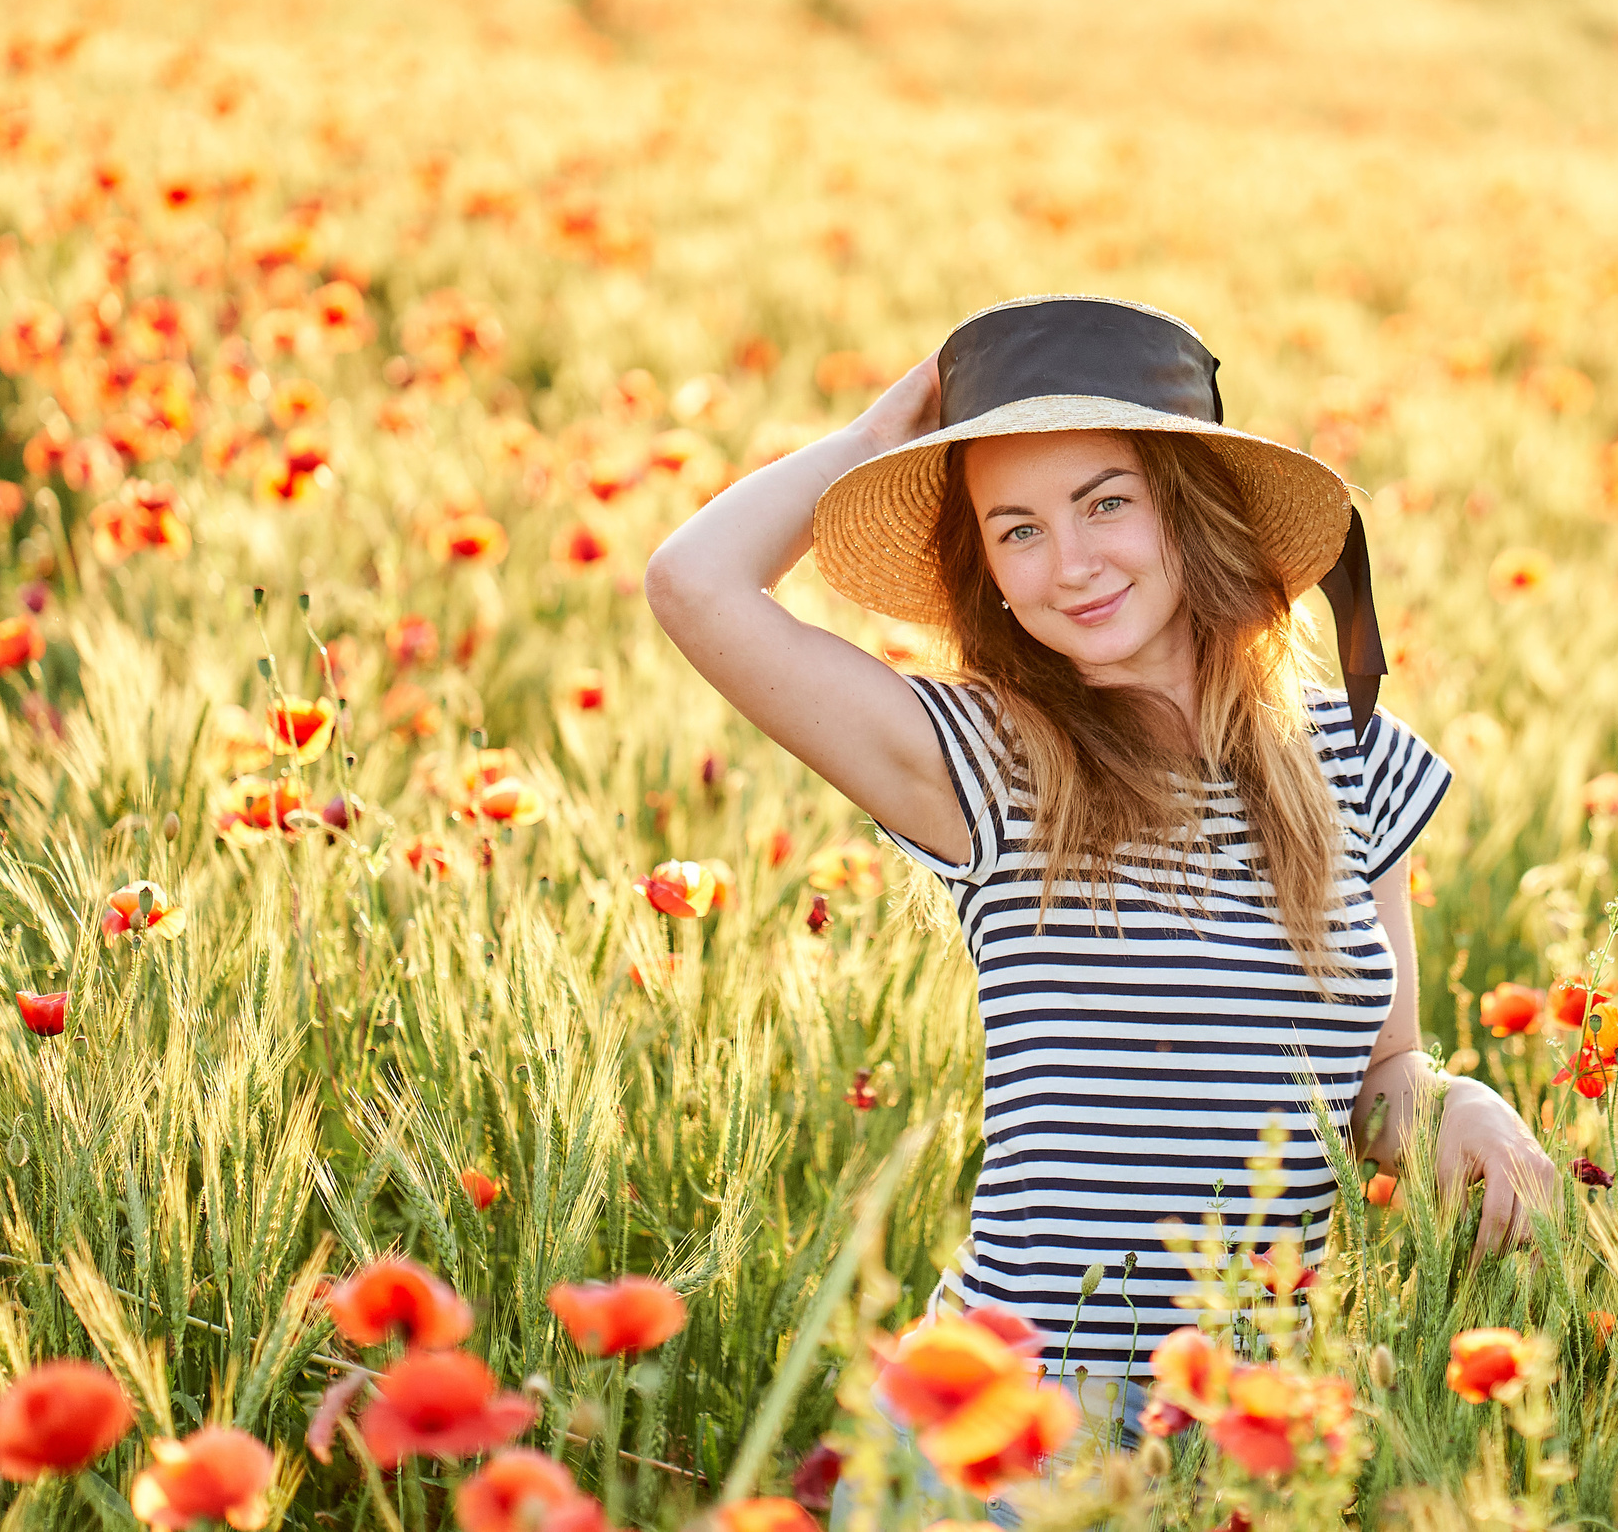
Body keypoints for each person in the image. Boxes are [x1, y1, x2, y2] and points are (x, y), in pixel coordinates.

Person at [643, 294, 1557, 1508]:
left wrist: (1456, 1097)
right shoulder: (983, 766)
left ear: (1190, 507)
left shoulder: (1357, 758)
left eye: (1105, 502)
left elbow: (1378, 1081)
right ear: (989, 575)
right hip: (1008, 1432)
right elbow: (693, 586)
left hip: (1249, 1435)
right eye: (1014, 529)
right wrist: (876, 443)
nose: (1068, 564)